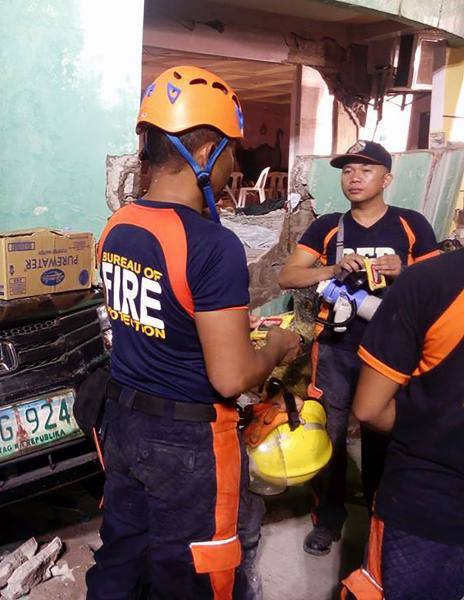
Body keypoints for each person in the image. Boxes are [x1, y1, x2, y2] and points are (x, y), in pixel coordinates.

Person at [85, 66, 301, 600]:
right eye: (233, 152)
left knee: (122, 558)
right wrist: (276, 346)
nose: (234, 166)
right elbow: (230, 377)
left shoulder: (119, 225)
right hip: (188, 442)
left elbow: (158, 317)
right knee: (199, 573)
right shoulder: (210, 244)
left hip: (125, 422)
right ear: (204, 154)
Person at [278, 140, 440, 556]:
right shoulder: (329, 226)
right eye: (348, 170)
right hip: (336, 349)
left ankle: (380, 522)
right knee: (329, 436)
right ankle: (328, 519)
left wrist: (403, 271)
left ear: (386, 178)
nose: (354, 177)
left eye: (365, 170)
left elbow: (439, 284)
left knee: (383, 437)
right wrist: (333, 268)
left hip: (392, 352)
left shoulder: (411, 225)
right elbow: (288, 277)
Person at [341, 248, 464, 600]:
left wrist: (431, 423)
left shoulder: (428, 278)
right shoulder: (331, 229)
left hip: (428, 505)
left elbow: (369, 410)